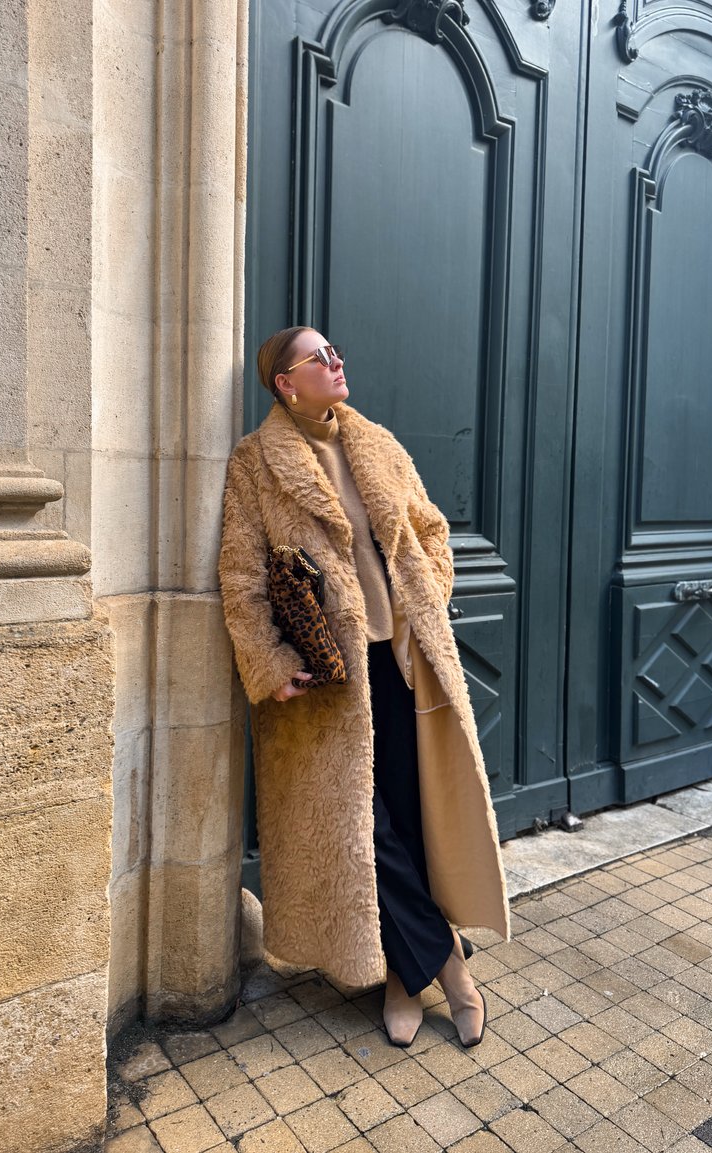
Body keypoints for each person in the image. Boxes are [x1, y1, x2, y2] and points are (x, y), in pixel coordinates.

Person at [219, 326, 509, 1047]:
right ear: (285, 382)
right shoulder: (257, 463)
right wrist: (270, 662)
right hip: (326, 679)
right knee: (364, 834)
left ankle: (401, 979)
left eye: (334, 351)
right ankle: (450, 971)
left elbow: (432, 529)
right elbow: (241, 577)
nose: (336, 362)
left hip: (402, 664)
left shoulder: (374, 441)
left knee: (408, 821)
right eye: (318, 357)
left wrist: (427, 595)